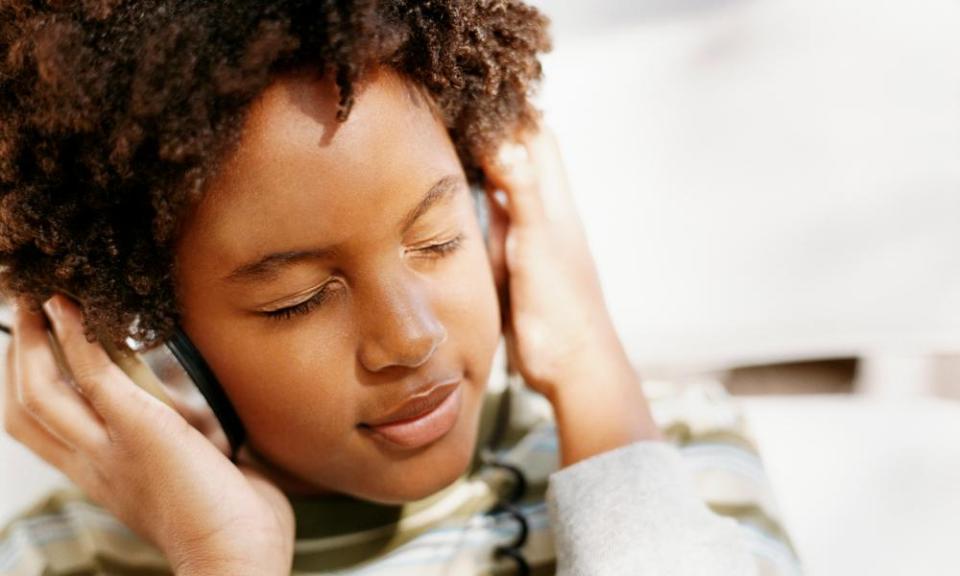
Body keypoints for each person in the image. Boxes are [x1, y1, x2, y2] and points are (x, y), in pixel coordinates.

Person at [0, 1, 799, 574]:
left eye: (438, 239)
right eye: (299, 298)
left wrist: (593, 376)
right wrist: (224, 558)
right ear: (151, 347)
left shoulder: (660, 453)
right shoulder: (60, 558)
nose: (409, 338)